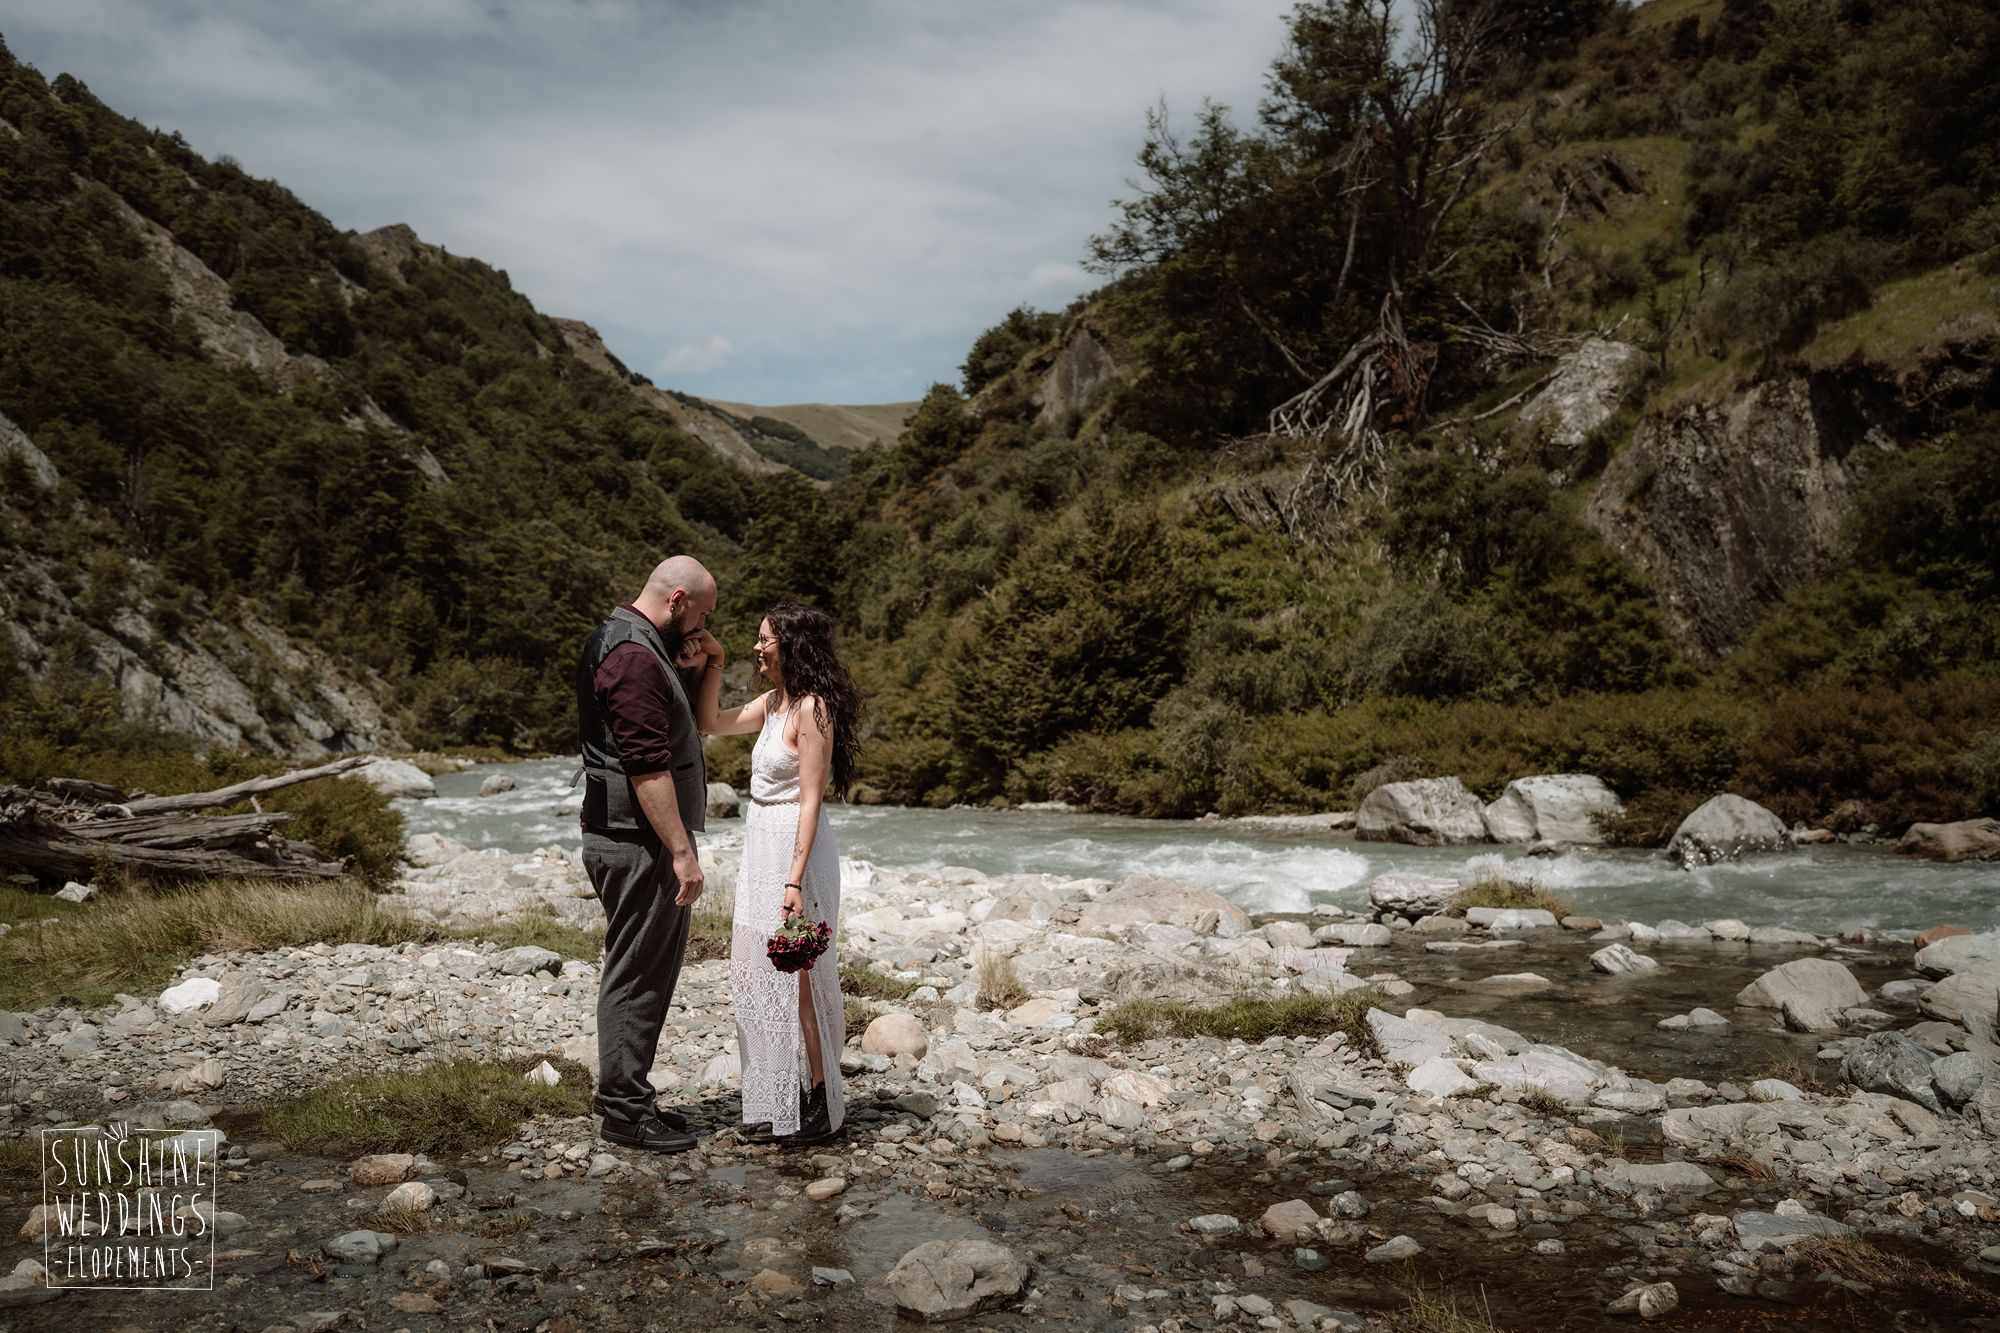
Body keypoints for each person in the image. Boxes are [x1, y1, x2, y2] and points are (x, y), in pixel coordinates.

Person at [687, 600, 864, 1145]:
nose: (758, 647)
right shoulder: (772, 703)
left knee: (799, 978)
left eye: (766, 639)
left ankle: (820, 1103)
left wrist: (793, 880)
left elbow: (810, 800)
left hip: (795, 851)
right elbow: (709, 722)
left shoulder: (813, 709)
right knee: (756, 970)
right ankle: (783, 1097)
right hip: (761, 842)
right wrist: (714, 660)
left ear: (793, 646)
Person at [575, 555, 718, 1153]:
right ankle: (624, 1112)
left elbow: (672, 727)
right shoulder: (634, 656)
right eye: (702, 615)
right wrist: (681, 851)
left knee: (639, 965)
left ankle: (627, 1093)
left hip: (629, 835)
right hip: (637, 840)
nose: (703, 626)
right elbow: (646, 765)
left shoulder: (627, 639)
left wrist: (704, 663)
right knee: (638, 971)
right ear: (678, 600)